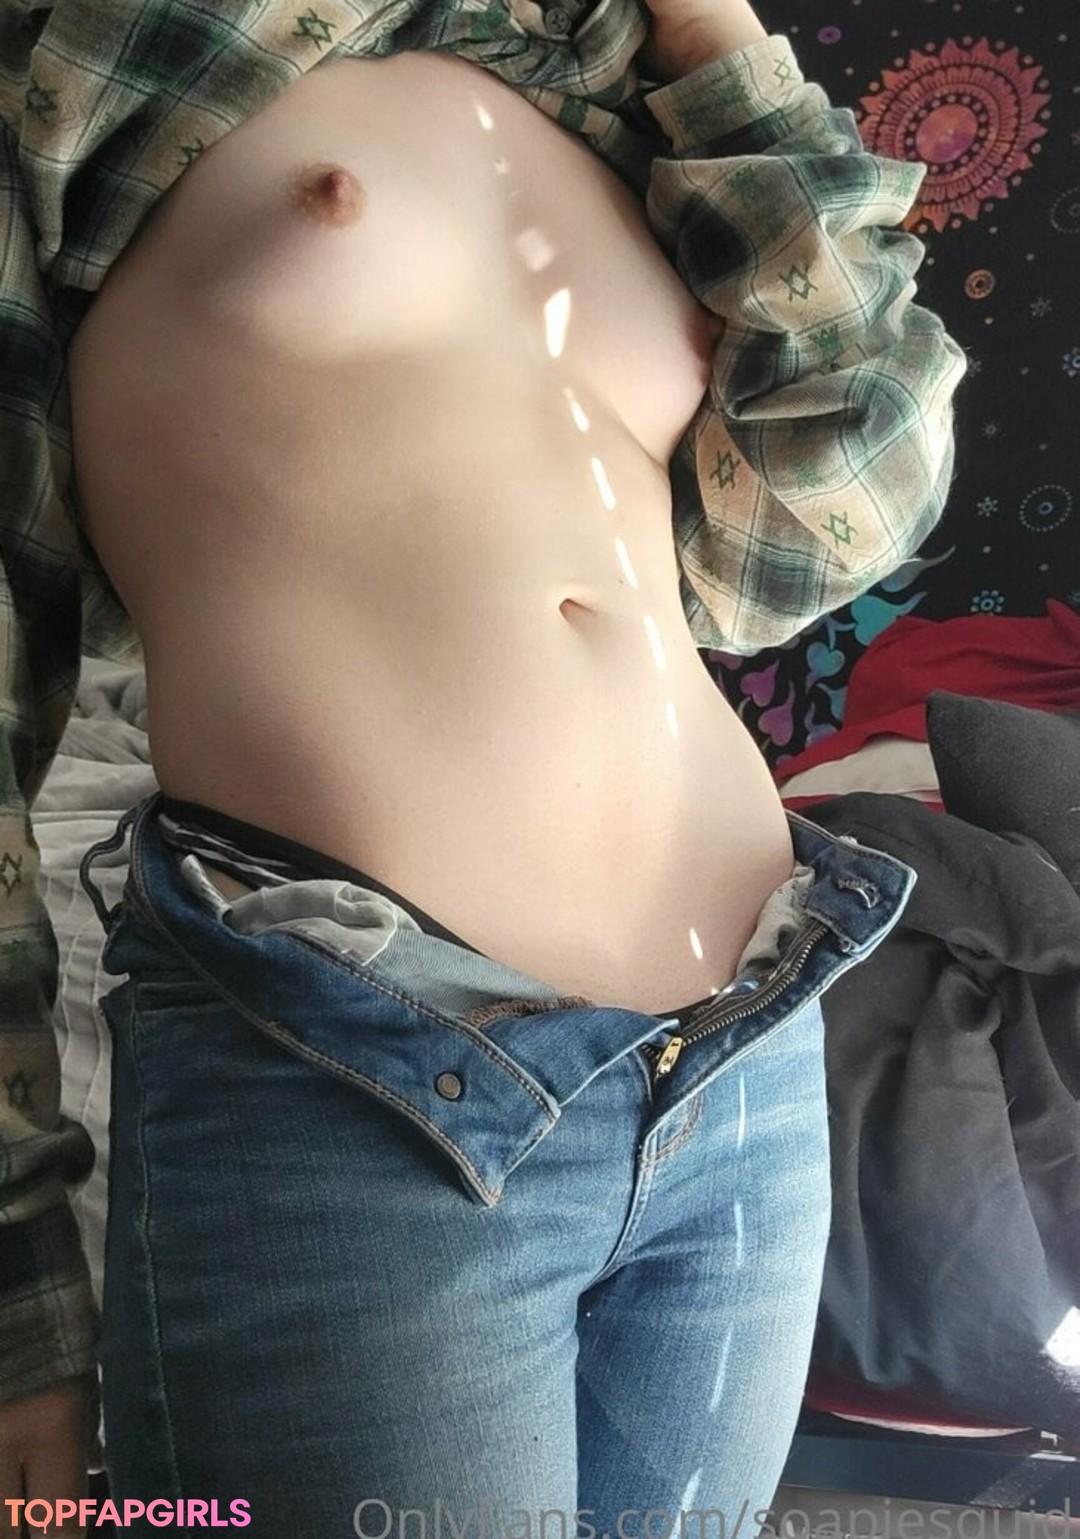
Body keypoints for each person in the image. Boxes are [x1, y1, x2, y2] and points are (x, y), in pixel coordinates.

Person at [0, 0, 964, 1529]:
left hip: (746, 1049)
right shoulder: (84, 49)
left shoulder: (606, 81)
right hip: (366, 1065)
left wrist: (716, 42)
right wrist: (18, 1287)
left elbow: (829, 520)